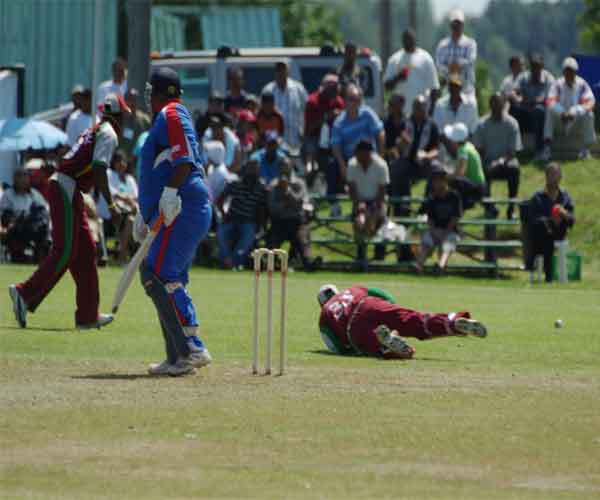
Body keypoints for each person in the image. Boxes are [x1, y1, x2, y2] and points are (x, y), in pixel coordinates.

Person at [8, 93, 129, 330]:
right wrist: (112, 206)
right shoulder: (109, 133)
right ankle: (23, 293)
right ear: (118, 116)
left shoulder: (96, 129)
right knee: (65, 252)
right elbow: (99, 169)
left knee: (85, 251)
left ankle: (87, 315)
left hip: (68, 189)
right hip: (65, 188)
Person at [135, 67, 213, 377]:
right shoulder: (166, 117)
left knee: (162, 275)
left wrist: (168, 193)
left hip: (183, 206)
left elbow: (184, 160)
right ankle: (177, 356)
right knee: (157, 274)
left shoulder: (172, 113)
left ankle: (192, 346)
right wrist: (146, 213)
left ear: (158, 91)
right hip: (175, 209)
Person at [316, 283, 487, 359]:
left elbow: (336, 346)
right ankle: (453, 322)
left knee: (375, 347)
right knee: (417, 321)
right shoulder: (353, 289)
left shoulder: (324, 314)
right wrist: (393, 311)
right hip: (370, 304)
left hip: (352, 327)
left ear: (321, 302)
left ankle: (387, 344)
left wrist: (351, 350)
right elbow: (384, 295)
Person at [331, 83, 385, 202]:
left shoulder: (368, 114)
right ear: (345, 101)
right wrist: (342, 165)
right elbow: (335, 146)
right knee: (333, 166)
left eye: (357, 99)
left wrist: (381, 156)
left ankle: (379, 202)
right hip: (351, 160)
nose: (354, 103)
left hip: (370, 156)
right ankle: (336, 205)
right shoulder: (339, 123)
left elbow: (380, 133)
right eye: (351, 99)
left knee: (382, 166)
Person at [473, 93, 523, 218]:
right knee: (482, 171)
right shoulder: (482, 124)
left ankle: (511, 208)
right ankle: (489, 208)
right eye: (494, 103)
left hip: (507, 162)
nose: (496, 106)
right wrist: (486, 163)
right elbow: (479, 149)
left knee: (515, 170)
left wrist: (499, 162)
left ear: (504, 104)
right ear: (490, 105)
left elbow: (513, 152)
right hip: (487, 162)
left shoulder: (512, 123)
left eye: (499, 103)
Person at [389, 95, 440, 215]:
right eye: (416, 107)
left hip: (424, 162)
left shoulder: (432, 125)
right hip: (407, 160)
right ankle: (402, 208)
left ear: (426, 109)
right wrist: (401, 144)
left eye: (421, 107)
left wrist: (427, 156)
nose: (419, 110)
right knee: (397, 168)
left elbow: (436, 149)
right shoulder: (404, 123)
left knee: (437, 169)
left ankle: (427, 206)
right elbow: (395, 147)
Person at [526, 163, 575, 283]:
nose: (553, 177)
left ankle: (546, 275)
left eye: (556, 174)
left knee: (548, 237)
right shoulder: (537, 197)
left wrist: (564, 214)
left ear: (560, 177)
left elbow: (572, 220)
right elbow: (532, 219)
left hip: (559, 233)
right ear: (546, 176)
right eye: (550, 174)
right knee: (544, 234)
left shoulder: (565, 197)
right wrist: (550, 220)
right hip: (542, 234)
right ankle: (548, 276)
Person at [267, 160, 319, 271]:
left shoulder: (299, 183)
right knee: (272, 241)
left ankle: (309, 262)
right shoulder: (273, 185)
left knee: (302, 240)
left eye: (287, 167)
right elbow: (272, 208)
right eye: (282, 167)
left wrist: (288, 191)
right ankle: (272, 263)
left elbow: (300, 204)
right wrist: (287, 204)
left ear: (291, 167)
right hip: (279, 222)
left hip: (297, 222)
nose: (285, 170)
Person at [216, 159, 268, 270]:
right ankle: (226, 259)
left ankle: (233, 262)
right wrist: (224, 214)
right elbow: (219, 199)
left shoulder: (262, 187)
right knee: (221, 233)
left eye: (255, 169)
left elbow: (263, 209)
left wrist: (262, 225)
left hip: (249, 221)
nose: (252, 172)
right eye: (250, 169)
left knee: (247, 239)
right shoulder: (235, 183)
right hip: (232, 218)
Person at [542, 57, 597, 161]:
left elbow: (590, 102)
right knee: (549, 111)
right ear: (563, 71)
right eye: (567, 71)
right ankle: (547, 149)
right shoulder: (557, 84)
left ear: (576, 72)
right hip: (560, 121)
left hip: (575, 122)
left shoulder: (582, 85)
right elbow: (550, 101)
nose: (569, 74)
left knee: (589, 114)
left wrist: (575, 112)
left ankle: (585, 150)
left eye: (571, 71)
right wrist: (562, 112)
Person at [347, 140, 389, 264]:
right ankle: (361, 256)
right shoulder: (352, 164)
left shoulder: (381, 165)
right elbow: (351, 188)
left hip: (377, 202)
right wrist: (359, 204)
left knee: (377, 221)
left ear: (368, 153)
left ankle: (379, 257)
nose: (359, 158)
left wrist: (373, 208)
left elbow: (382, 191)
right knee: (359, 222)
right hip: (359, 201)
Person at [414, 167, 462, 274]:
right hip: (434, 231)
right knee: (426, 242)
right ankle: (418, 266)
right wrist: (433, 231)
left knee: (447, 245)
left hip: (451, 231)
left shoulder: (454, 197)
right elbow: (430, 219)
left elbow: (455, 218)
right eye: (435, 180)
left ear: (445, 181)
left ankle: (440, 266)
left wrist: (445, 232)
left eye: (439, 180)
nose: (437, 183)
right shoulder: (432, 198)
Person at [303, 72, 345, 189]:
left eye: (336, 90)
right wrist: (326, 118)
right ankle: (308, 181)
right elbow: (310, 129)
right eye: (332, 90)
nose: (335, 94)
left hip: (332, 137)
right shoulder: (312, 102)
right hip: (314, 137)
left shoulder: (338, 102)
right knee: (310, 156)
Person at [384, 29, 440, 115]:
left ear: (414, 39)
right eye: (405, 39)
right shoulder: (395, 59)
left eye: (409, 38)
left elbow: (434, 87)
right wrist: (398, 78)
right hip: (399, 113)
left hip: (421, 112)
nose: (407, 41)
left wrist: (431, 110)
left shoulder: (425, 58)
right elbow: (386, 87)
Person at [0, 167, 50, 263]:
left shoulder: (35, 194)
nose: (23, 179)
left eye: (25, 176)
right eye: (20, 176)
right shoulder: (8, 195)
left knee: (42, 225)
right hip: (16, 226)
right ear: (14, 178)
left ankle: (42, 262)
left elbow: (44, 211)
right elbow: (6, 215)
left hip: (34, 226)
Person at [510, 53, 555, 159]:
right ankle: (515, 148)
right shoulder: (523, 77)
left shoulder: (549, 78)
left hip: (541, 112)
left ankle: (539, 149)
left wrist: (533, 101)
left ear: (542, 66)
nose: (535, 69)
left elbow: (548, 97)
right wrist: (518, 99)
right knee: (513, 109)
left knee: (538, 110)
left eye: (537, 66)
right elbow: (513, 92)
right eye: (533, 66)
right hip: (525, 109)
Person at [262, 61, 307, 150]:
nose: (280, 72)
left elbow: (307, 111)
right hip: (275, 144)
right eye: (278, 70)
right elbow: (262, 116)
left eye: (283, 69)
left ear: (287, 71)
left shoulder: (298, 89)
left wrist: (304, 130)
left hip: (295, 140)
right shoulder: (268, 90)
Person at [443, 122, 486, 210]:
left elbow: (460, 173)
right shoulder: (468, 146)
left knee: (452, 181)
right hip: (479, 186)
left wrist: (446, 177)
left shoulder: (462, 150)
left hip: (476, 188)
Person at [433, 73, 479, 157]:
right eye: (452, 86)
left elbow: (473, 130)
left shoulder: (471, 105)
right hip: (445, 150)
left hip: (465, 149)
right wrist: (451, 148)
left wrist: (459, 147)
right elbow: (438, 130)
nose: (454, 89)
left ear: (461, 87)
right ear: (449, 87)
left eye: (456, 86)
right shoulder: (439, 104)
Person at [435, 9, 477, 99]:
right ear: (450, 25)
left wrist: (457, 65)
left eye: (459, 24)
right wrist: (450, 68)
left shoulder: (470, 43)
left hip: (467, 89)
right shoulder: (443, 45)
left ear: (463, 25)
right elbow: (439, 65)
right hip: (448, 89)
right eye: (454, 24)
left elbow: (471, 61)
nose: (457, 26)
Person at [108, 149, 138, 263]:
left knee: (133, 219)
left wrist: (130, 201)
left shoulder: (130, 179)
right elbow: (113, 194)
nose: (121, 164)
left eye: (123, 161)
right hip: (114, 213)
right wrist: (128, 199)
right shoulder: (109, 175)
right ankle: (122, 255)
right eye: (118, 161)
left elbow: (136, 196)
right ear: (114, 163)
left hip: (131, 210)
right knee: (130, 220)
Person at [120, 88, 151, 157]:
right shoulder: (119, 119)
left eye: (134, 99)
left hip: (138, 160)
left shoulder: (144, 119)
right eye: (129, 99)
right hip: (122, 161)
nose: (131, 103)